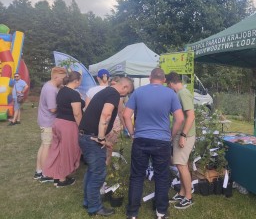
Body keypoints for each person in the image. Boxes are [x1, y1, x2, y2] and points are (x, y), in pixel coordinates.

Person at [124, 68, 184, 219]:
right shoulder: (171, 94)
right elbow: (180, 119)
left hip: (141, 139)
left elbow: (126, 115)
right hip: (162, 141)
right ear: (164, 80)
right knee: (162, 176)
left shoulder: (138, 92)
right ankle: (161, 212)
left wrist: (132, 133)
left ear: (150, 78)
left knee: (137, 176)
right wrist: (171, 135)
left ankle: (132, 213)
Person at [79, 77, 133, 217]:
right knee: (98, 173)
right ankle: (95, 207)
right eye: (127, 93)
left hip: (85, 135)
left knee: (92, 171)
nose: (125, 96)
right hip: (92, 137)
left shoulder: (106, 91)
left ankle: (88, 201)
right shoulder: (113, 94)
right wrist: (102, 137)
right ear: (125, 88)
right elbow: (106, 114)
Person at [42, 71, 84, 187]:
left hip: (58, 123)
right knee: (68, 151)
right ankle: (62, 179)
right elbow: (77, 113)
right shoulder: (73, 94)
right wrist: (81, 127)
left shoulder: (61, 91)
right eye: (80, 80)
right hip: (68, 125)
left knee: (58, 150)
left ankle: (55, 174)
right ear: (76, 81)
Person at [166, 71, 196, 209]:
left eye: (168, 85)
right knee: (180, 164)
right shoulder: (179, 93)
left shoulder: (183, 93)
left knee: (181, 165)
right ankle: (183, 192)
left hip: (186, 135)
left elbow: (190, 116)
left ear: (171, 83)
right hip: (181, 134)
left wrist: (183, 135)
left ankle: (189, 197)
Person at [34, 67, 67, 180]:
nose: (64, 80)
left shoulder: (49, 85)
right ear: (56, 77)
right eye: (63, 78)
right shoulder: (50, 89)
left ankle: (39, 170)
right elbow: (53, 109)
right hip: (48, 122)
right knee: (47, 147)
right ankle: (45, 173)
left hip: (44, 120)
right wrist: (64, 106)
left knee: (44, 145)